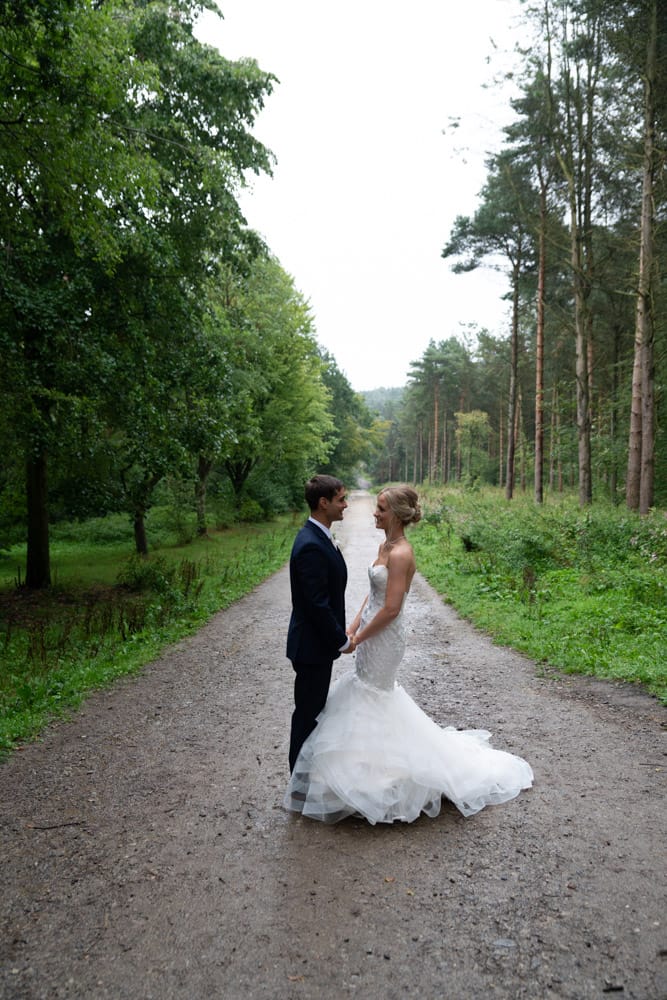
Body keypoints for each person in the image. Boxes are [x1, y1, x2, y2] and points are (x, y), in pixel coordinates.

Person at [284, 485, 533, 824]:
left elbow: (390, 609)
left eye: (381, 508)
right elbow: (372, 598)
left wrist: (357, 637)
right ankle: (361, 772)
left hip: (385, 638)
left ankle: (387, 775)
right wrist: (351, 627)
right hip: (370, 634)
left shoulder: (402, 553)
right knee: (362, 693)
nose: (375, 512)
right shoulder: (383, 545)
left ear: (398, 514)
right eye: (376, 507)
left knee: (376, 695)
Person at [286, 474, 354, 773]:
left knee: (313, 711)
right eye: (341, 499)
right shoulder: (311, 545)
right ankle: (298, 782)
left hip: (315, 647)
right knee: (308, 714)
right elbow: (317, 604)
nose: (346, 505)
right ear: (323, 503)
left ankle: (306, 778)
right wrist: (341, 640)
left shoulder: (319, 537)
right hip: (312, 647)